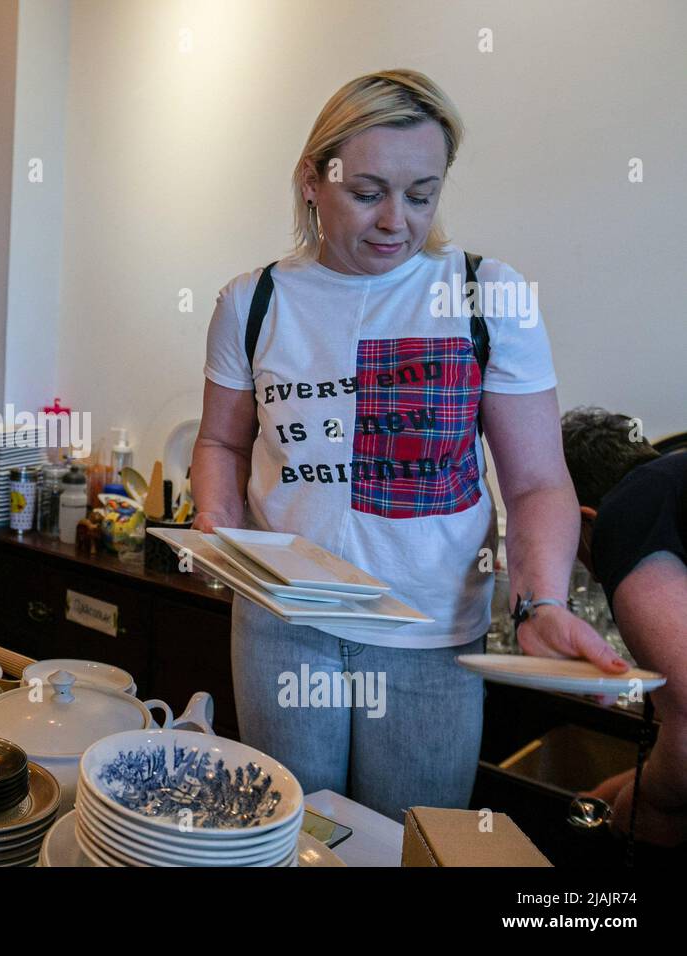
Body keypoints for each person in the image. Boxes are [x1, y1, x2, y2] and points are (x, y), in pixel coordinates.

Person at [192, 69, 627, 823]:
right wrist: (219, 528)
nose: (396, 220)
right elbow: (221, 443)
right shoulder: (252, 301)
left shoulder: (486, 297)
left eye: (422, 195)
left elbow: (535, 484)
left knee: (410, 844)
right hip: (282, 627)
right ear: (312, 180)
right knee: (292, 838)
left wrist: (542, 602)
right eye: (367, 193)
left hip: (428, 635)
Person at [561, 406, 687, 849]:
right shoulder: (671, 483)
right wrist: (611, 791)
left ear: (585, 520)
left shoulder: (628, 513)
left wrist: (640, 801)